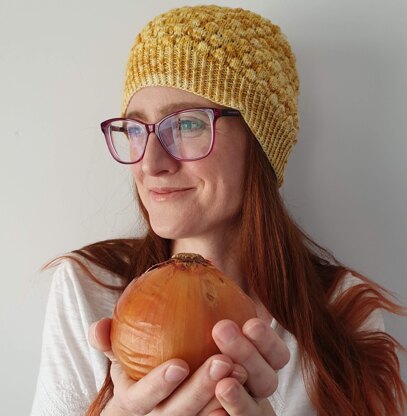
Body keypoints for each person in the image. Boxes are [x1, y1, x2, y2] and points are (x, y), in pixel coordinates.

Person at [31, 5, 406, 416]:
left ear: (259, 145)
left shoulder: (343, 311)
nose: (150, 163)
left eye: (187, 124)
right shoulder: (90, 290)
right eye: (135, 129)